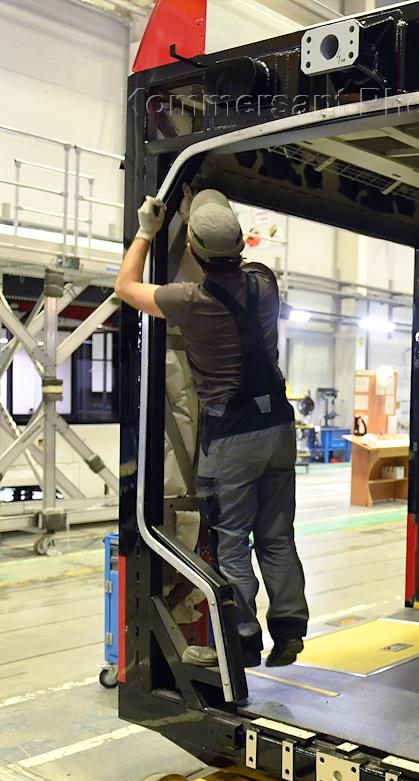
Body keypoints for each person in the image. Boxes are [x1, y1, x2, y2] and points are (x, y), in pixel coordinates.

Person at [114, 188, 308, 669]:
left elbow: (126, 286)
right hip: (279, 426)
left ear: (194, 253)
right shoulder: (266, 284)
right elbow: (242, 263)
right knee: (277, 535)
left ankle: (242, 640)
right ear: (240, 246)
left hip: (233, 435)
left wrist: (146, 231)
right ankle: (289, 630)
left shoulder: (190, 300)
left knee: (230, 540)